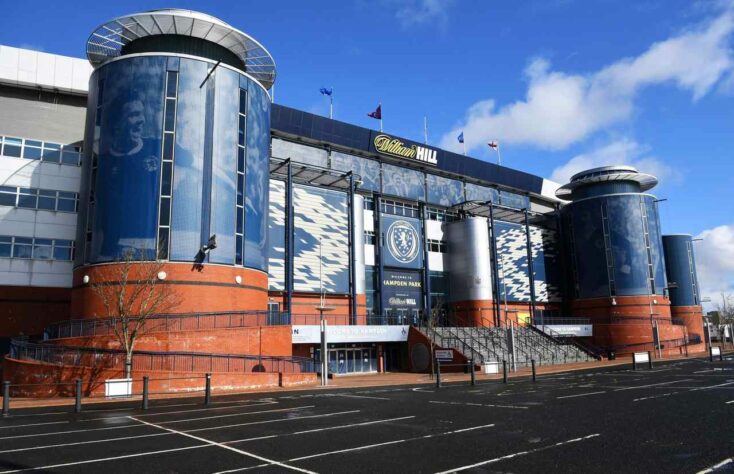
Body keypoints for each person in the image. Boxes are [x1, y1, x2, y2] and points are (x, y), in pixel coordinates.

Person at [94, 91, 161, 261]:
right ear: (117, 123)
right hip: (118, 253)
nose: (142, 120)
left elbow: (197, 161)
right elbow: (103, 219)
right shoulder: (104, 163)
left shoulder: (157, 147)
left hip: (156, 249)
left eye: (142, 114)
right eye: (133, 115)